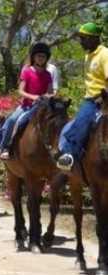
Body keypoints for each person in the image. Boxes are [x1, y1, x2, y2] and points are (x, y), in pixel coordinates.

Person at [0, 42, 54, 159]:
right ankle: (4, 147)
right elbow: (20, 91)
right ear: (34, 57)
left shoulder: (48, 74)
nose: (41, 58)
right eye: (38, 56)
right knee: (12, 120)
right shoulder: (27, 71)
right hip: (26, 106)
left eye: (43, 56)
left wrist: (48, 96)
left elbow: (50, 91)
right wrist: (34, 97)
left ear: (46, 58)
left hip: (42, 106)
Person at [57, 22, 107, 170]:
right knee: (71, 128)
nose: (81, 41)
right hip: (90, 99)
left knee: (81, 124)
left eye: (83, 38)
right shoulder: (88, 56)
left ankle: (69, 155)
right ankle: (70, 158)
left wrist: (102, 97)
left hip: (101, 100)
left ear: (94, 38)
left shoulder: (105, 54)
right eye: (80, 38)